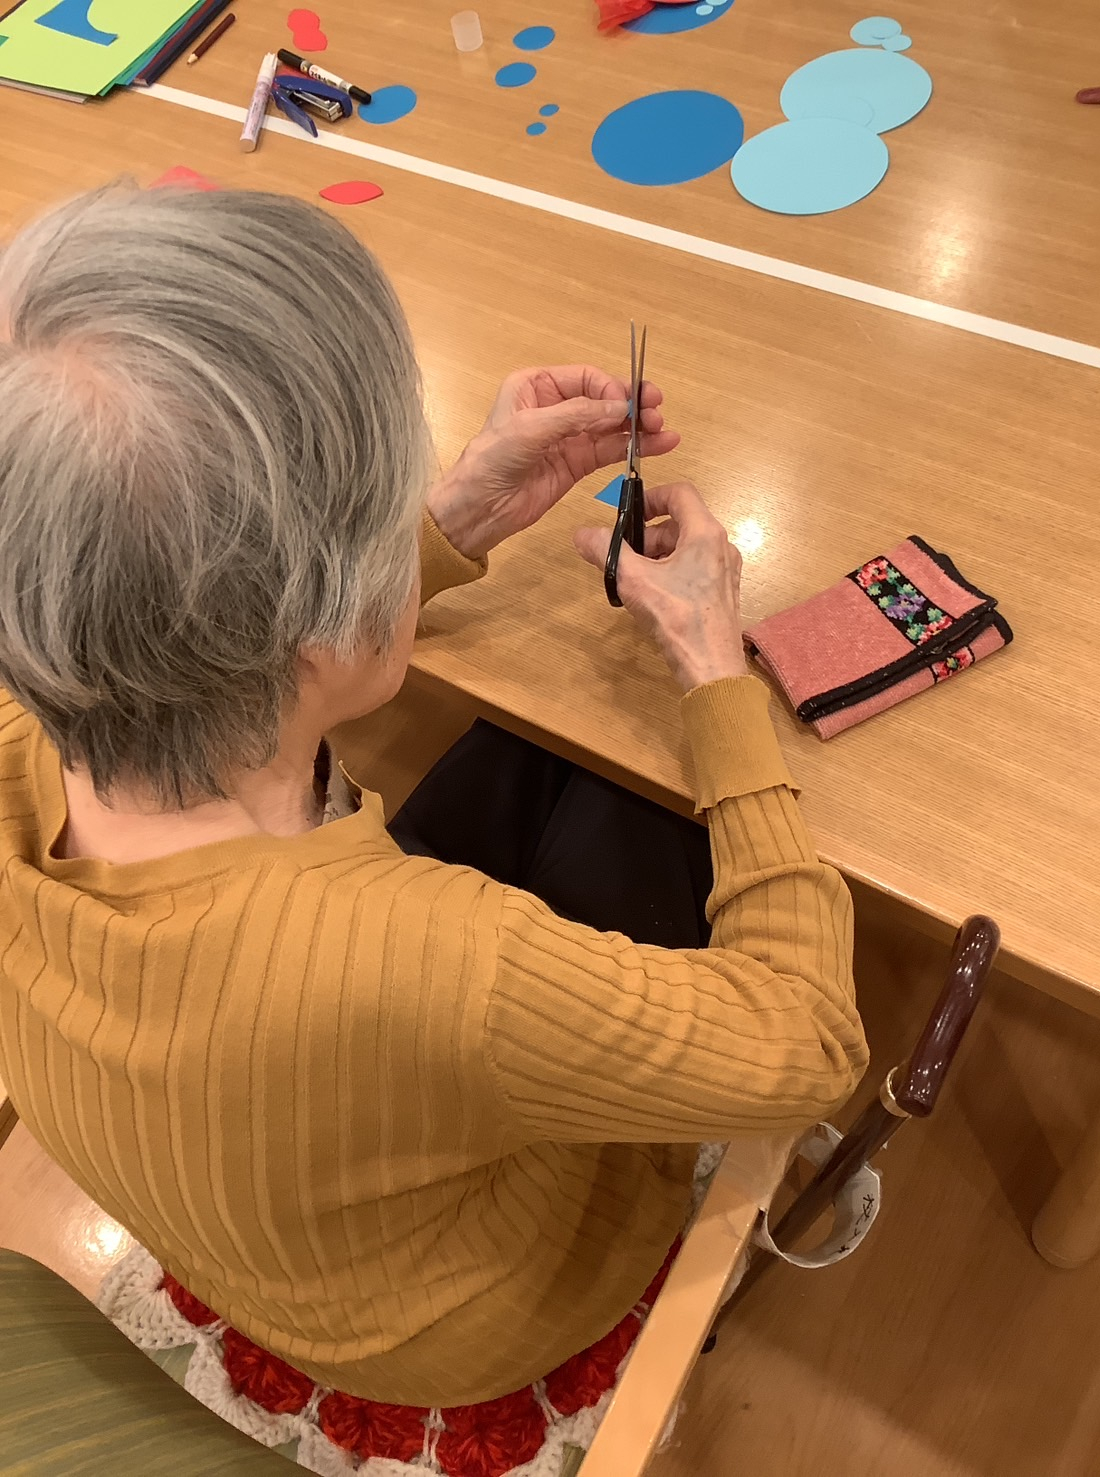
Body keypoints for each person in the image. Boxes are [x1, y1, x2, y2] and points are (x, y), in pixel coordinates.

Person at [0, 186, 867, 1417]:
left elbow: (208, 613)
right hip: (476, 1314)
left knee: (549, 757)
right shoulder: (440, 964)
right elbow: (812, 1046)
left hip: (282, 1215)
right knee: (646, 793)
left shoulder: (32, 716)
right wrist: (716, 669)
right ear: (318, 617)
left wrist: (452, 515)